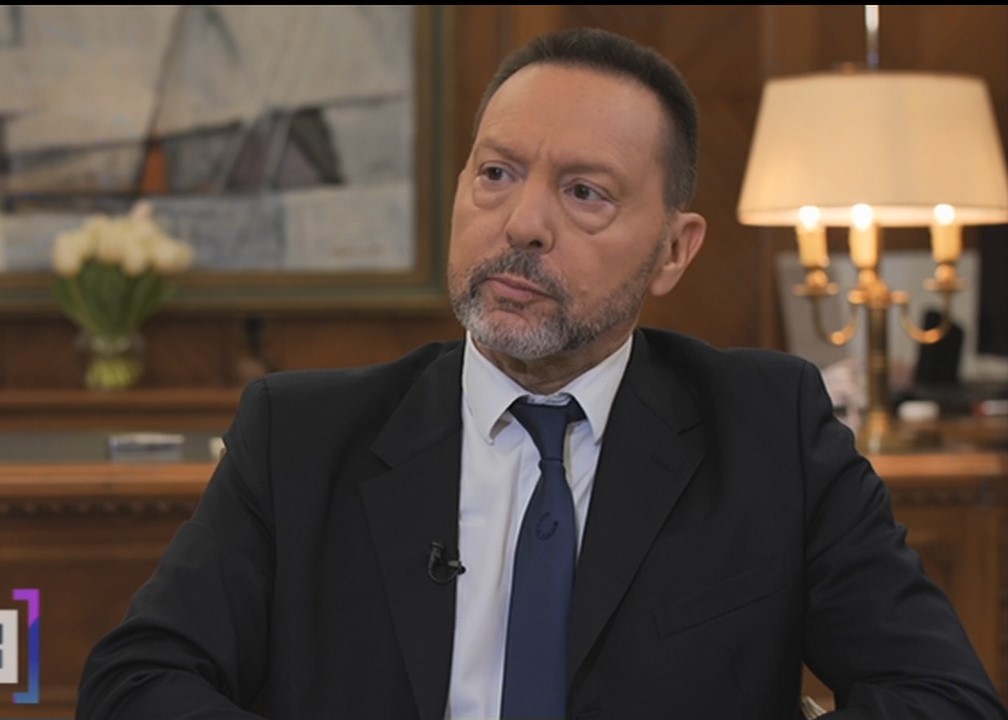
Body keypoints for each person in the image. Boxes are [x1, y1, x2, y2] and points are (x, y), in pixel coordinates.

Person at [77, 28, 1006, 719]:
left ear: (675, 251)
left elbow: (943, 697)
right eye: (496, 173)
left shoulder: (770, 433)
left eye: (584, 192)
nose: (522, 222)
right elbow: (136, 683)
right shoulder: (301, 436)